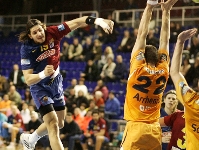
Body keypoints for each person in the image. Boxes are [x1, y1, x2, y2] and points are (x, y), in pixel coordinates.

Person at [18, 16, 114, 150]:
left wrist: (100, 22)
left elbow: (78, 22)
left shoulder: (54, 32)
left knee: (60, 123)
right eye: (34, 33)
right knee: (52, 124)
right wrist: (43, 74)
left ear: (44, 27)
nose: (39, 34)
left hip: (56, 83)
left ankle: (30, 139)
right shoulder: (27, 48)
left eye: (40, 30)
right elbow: (28, 79)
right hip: (39, 86)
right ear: (30, 35)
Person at [120, 0, 178, 149]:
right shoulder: (163, 70)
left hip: (135, 128)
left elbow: (141, 34)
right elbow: (165, 40)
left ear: (143, 57)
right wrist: (166, 11)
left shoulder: (138, 68)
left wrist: (149, 6)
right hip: (154, 129)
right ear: (158, 58)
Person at [170, 28, 199, 149]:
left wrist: (180, 42)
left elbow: (175, 73)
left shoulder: (191, 100)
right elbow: (175, 73)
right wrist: (180, 42)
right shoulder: (191, 98)